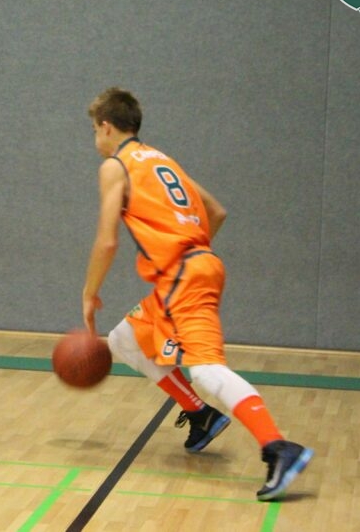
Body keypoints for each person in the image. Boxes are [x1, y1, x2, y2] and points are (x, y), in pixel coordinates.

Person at [80, 87, 313, 502]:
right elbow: (216, 211)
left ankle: (278, 447)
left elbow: (107, 240)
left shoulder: (116, 166)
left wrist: (89, 292)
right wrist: (190, 250)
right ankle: (200, 415)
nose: (95, 140)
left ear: (106, 126)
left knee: (206, 370)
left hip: (184, 278)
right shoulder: (161, 159)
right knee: (124, 340)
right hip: (187, 271)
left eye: (94, 131)